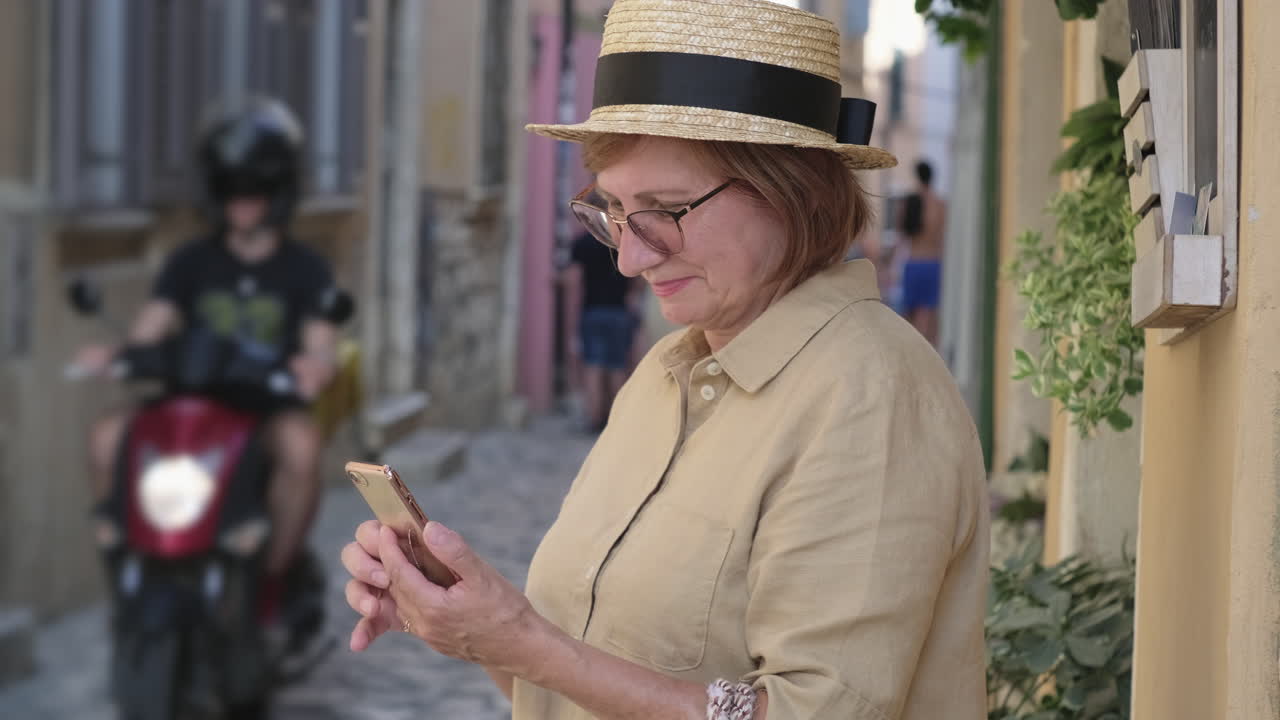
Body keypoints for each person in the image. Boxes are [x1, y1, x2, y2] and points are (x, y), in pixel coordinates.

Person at [339, 2, 988, 719]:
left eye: (667, 210)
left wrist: (525, 642)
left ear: (793, 192)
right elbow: (576, 687)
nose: (630, 255)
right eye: (612, 210)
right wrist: (472, 626)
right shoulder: (664, 372)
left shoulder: (871, 395)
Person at [74, 98, 339, 632]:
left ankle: (270, 579)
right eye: (231, 192)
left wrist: (316, 366)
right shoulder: (189, 261)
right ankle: (123, 548)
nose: (242, 203)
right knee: (106, 435)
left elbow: (320, 341)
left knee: (303, 448)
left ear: (278, 193)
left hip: (262, 410)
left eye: (253, 192)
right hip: (189, 406)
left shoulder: (306, 269)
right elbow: (153, 324)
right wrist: (119, 354)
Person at [560, 227, 639, 433]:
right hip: (619, 312)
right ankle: (617, 421)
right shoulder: (622, 243)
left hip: (593, 311)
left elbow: (573, 281)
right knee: (617, 366)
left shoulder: (582, 243)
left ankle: (594, 419)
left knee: (593, 365)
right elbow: (637, 281)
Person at [898, 160, 947, 345]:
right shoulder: (940, 204)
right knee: (928, 319)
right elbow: (942, 239)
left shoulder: (910, 202)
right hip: (933, 263)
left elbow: (901, 235)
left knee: (908, 317)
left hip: (913, 262)